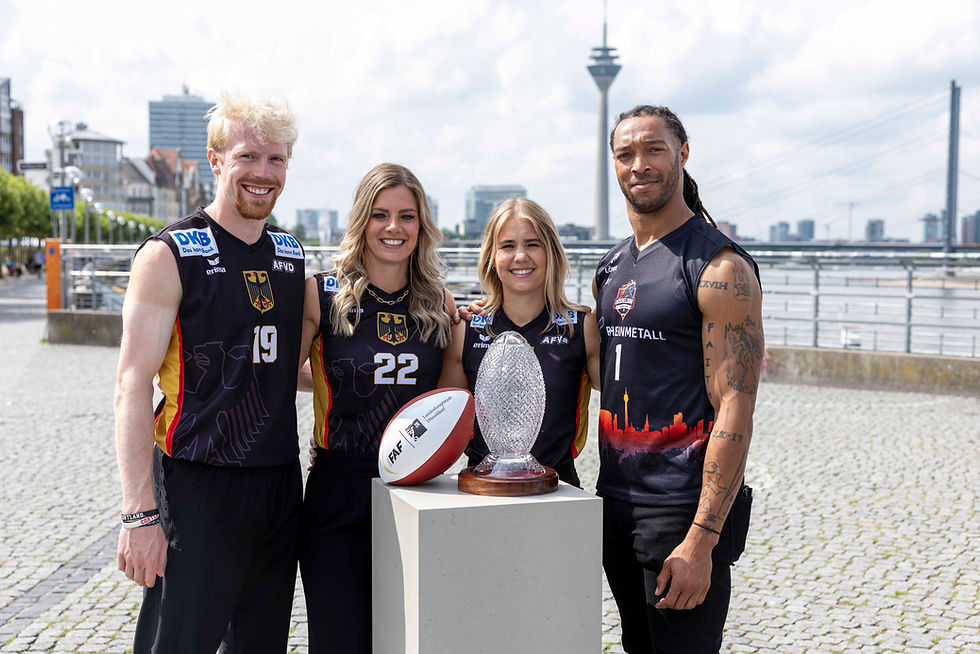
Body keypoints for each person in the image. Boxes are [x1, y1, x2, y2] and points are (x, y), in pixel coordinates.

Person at [114, 92, 304, 654]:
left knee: (259, 645)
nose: (262, 174)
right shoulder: (170, 254)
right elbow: (130, 383)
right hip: (197, 483)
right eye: (248, 157)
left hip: (276, 484)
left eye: (276, 160)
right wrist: (139, 513)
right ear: (217, 161)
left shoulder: (291, 257)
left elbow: (298, 369)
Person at [594, 105, 764, 654]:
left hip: (679, 510)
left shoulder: (718, 266)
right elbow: (606, 371)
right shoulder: (611, 266)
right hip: (614, 500)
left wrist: (702, 539)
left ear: (682, 155)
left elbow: (735, 405)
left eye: (654, 150)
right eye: (625, 154)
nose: (638, 164)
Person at [298, 163, 455, 654]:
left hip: (417, 488)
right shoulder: (321, 294)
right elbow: (276, 377)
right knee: (339, 641)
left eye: (407, 216)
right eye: (380, 214)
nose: (394, 227)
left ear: (421, 225)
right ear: (361, 220)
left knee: (411, 641)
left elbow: (452, 402)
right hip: (337, 491)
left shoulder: (440, 302)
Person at [440, 197, 600, 486]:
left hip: (559, 490)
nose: (521, 256)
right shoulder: (465, 331)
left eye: (533, 244)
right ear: (491, 256)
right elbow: (442, 423)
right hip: (483, 490)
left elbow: (628, 386)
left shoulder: (581, 328)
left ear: (551, 252)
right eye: (508, 246)